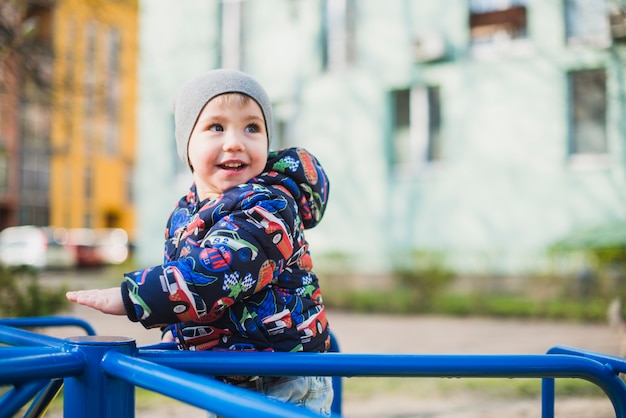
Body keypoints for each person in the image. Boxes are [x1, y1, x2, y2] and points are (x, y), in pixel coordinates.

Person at [66, 68, 333, 416]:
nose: (235, 141)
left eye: (252, 127)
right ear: (186, 145)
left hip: (282, 378)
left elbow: (219, 273)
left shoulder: (268, 205)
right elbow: (179, 272)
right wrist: (175, 331)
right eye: (216, 127)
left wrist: (133, 296)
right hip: (230, 376)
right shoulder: (185, 213)